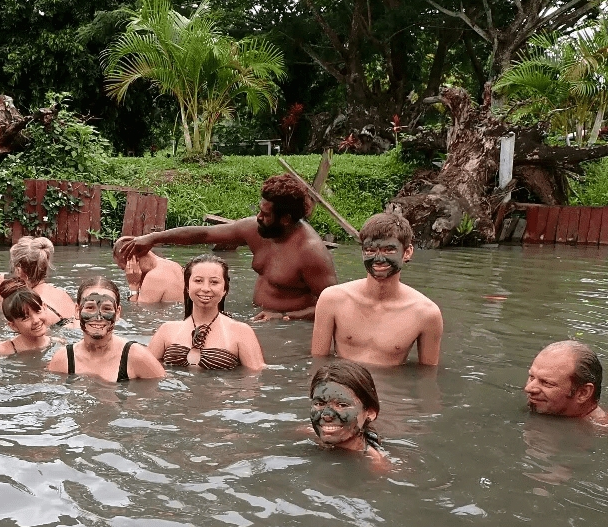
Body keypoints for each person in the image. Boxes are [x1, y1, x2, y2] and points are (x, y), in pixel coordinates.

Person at [119, 174, 337, 320]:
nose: (258, 217)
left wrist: (286, 317)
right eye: (260, 210)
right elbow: (203, 234)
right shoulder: (255, 229)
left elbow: (333, 305)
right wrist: (153, 238)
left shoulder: (310, 253)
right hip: (257, 317)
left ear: (286, 219)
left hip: (289, 329)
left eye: (266, 214)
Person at [311, 213, 443, 366]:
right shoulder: (332, 299)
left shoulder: (426, 313)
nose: (379, 259)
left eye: (388, 250)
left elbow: (427, 378)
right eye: (370, 250)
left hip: (391, 389)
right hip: (343, 386)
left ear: (407, 252)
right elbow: (317, 363)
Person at [147, 254, 265, 370]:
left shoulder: (242, 332)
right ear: (187, 287)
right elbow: (144, 371)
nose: (205, 289)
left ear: (225, 289)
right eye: (198, 281)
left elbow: (255, 380)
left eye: (214, 282)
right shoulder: (166, 330)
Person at [47, 277, 165, 382]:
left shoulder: (137, 357)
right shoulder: (63, 359)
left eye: (107, 308)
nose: (98, 317)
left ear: (118, 313)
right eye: (90, 307)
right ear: (77, 311)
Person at [0, 236, 77, 326]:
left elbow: (14, 327)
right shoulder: (62, 294)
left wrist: (1, 301)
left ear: (18, 271)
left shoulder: (27, 304)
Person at [309, 360, 387, 462]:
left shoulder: (375, 463)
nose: (326, 415)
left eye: (341, 405)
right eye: (319, 404)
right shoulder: (309, 434)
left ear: (370, 412)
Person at [525, 341, 608, 424]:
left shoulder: (604, 433)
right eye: (532, 377)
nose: (528, 388)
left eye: (547, 383)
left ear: (583, 393)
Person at [0, 278, 62, 355]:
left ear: (44, 307)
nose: (36, 320)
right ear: (13, 326)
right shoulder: (1, 352)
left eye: (38, 311)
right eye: (26, 318)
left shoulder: (58, 343)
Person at [112, 236, 183, 303]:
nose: (127, 273)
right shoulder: (174, 265)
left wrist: (133, 285)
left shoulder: (153, 277)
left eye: (124, 268)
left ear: (133, 260)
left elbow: (136, 311)